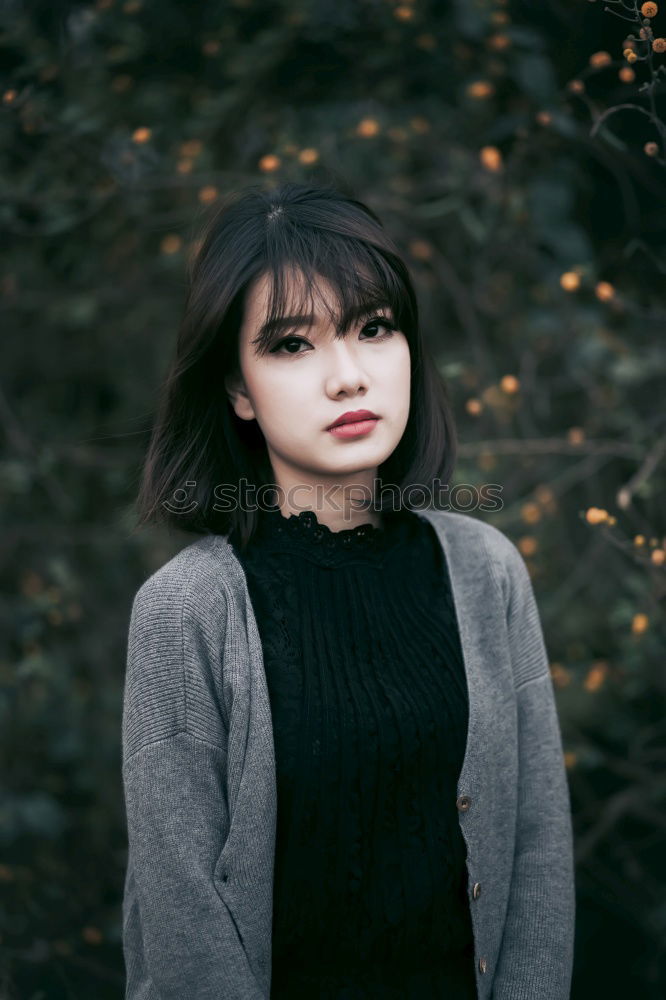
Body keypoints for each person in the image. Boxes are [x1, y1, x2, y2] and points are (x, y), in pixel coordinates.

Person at [121, 181, 575, 1000]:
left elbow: (537, 847)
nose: (347, 377)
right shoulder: (186, 609)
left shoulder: (486, 570)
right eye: (293, 345)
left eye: (374, 329)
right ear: (236, 389)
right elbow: (184, 917)